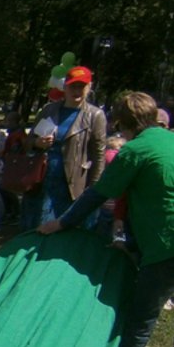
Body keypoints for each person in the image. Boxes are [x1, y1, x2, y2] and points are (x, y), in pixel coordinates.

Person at [40, 91, 174, 347]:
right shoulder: (170, 141)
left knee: (141, 320)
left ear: (123, 123)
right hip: (162, 242)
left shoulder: (136, 151)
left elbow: (99, 193)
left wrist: (62, 222)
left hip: (167, 246)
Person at [21, 65, 107, 230]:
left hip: (74, 184)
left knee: (69, 231)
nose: (77, 91)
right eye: (73, 86)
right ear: (65, 86)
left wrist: (94, 189)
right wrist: (37, 143)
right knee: (39, 227)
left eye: (81, 86)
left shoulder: (95, 115)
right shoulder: (49, 110)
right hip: (43, 179)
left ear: (89, 88)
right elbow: (28, 141)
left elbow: (99, 155)